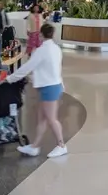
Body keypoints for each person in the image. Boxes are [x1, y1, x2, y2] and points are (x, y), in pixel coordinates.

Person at [12, 24, 67, 158]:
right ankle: (35, 146)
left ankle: (61, 145)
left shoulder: (42, 50)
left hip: (49, 88)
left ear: (41, 35)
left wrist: (10, 78)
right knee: (42, 119)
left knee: (51, 119)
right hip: (53, 86)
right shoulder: (56, 48)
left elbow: (28, 67)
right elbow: (51, 68)